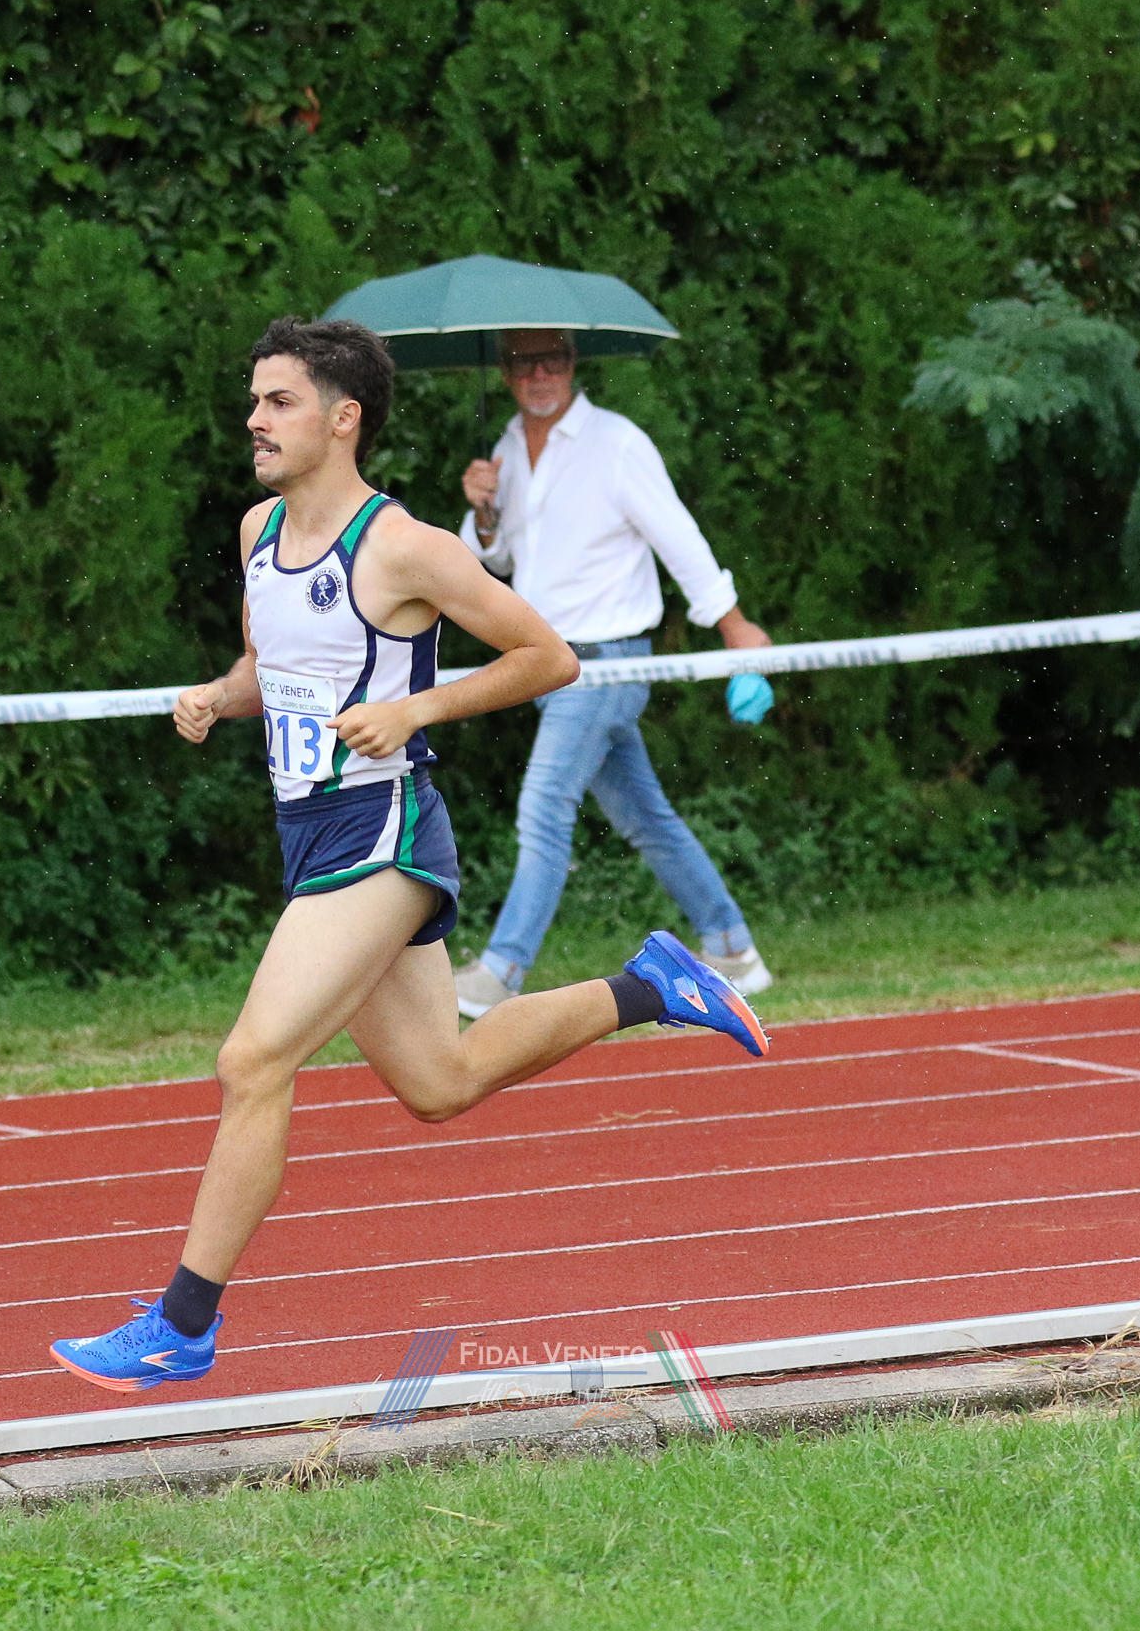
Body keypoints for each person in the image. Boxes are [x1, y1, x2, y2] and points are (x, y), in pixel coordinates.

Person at [47, 317, 769, 1394]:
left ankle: (182, 1323)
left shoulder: (404, 546)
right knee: (441, 1080)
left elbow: (549, 656)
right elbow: (272, 665)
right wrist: (217, 696)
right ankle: (650, 984)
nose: (254, 420)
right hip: (311, 836)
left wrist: (416, 706)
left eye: (278, 402)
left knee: (254, 1061)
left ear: (343, 419)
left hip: (381, 832)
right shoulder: (257, 532)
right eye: (253, 400)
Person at [449, 328, 773, 1020]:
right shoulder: (506, 449)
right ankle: (734, 949)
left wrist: (734, 624)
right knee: (647, 818)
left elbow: (679, 538)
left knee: (543, 808)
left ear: (573, 364)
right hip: (548, 667)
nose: (541, 373)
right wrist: (482, 512)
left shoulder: (618, 442)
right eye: (525, 361)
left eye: (554, 359)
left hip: (607, 664)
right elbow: (500, 561)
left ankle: (499, 973)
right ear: (505, 372)